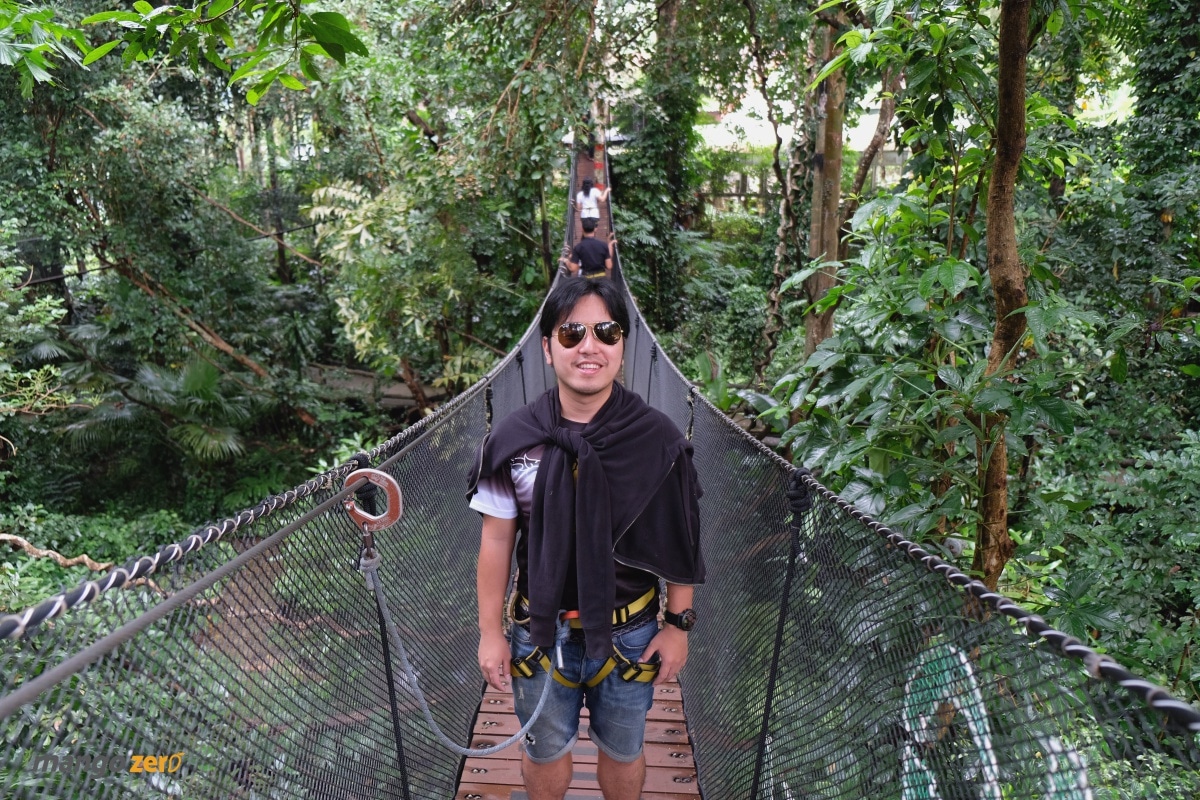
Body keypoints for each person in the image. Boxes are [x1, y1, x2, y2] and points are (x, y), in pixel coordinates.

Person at [469, 278, 704, 800]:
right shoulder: (513, 440)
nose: (589, 346)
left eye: (606, 331)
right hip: (538, 631)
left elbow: (680, 535)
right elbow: (496, 544)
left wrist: (677, 625)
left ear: (624, 346)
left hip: (633, 633)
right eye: (571, 332)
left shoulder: (658, 440)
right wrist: (490, 633)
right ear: (548, 349)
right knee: (543, 750)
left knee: (623, 751)